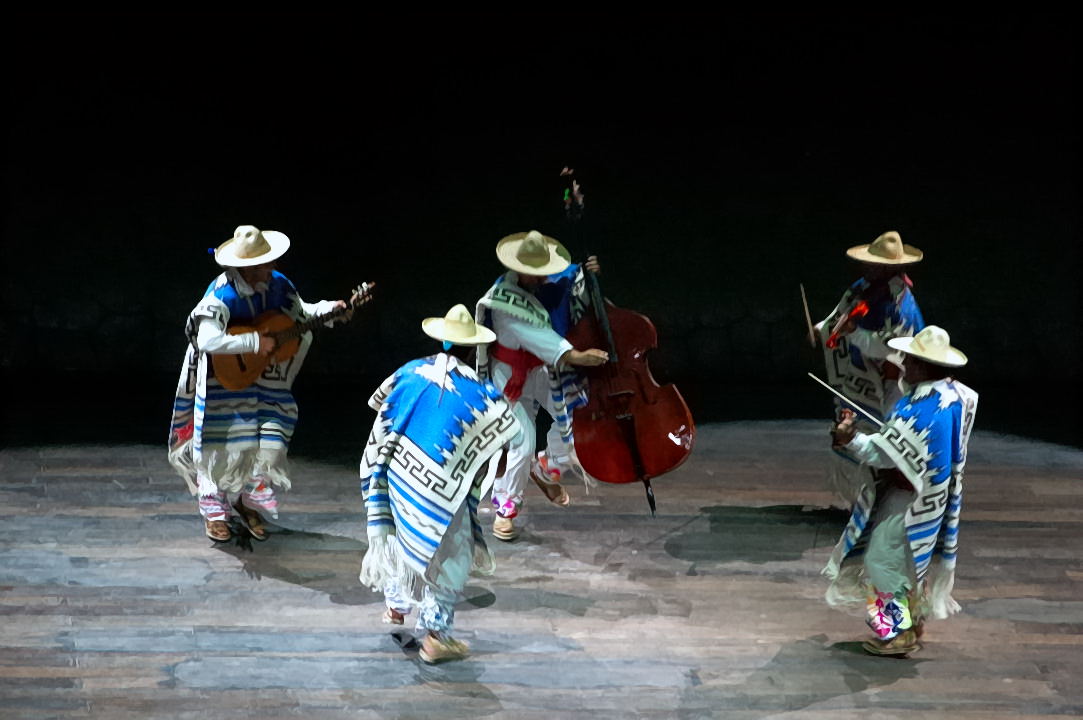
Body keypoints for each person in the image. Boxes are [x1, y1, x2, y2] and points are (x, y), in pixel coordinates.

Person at [358, 304, 521, 664]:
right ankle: (435, 636)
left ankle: (397, 608)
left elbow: (380, 409)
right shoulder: (482, 394)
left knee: (402, 538)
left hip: (397, 473)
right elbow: (505, 440)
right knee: (451, 557)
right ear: (472, 347)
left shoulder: (409, 372)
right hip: (441, 490)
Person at [167, 225, 351, 543]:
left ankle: (245, 499)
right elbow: (207, 338)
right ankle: (214, 512)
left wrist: (329, 311)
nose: (273, 267)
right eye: (266, 263)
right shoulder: (221, 293)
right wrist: (254, 342)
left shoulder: (278, 285)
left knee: (263, 439)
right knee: (218, 443)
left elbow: (301, 312)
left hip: (263, 374)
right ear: (246, 268)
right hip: (221, 375)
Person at [824, 325, 978, 656]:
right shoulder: (955, 395)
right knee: (909, 562)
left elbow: (879, 452)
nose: (904, 363)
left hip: (910, 498)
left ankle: (897, 632)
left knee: (882, 561)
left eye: (909, 359)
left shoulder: (922, 409)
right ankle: (913, 619)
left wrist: (849, 437)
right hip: (932, 496)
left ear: (924, 365)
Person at [474, 230, 609, 541]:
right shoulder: (504, 301)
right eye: (533, 273)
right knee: (521, 444)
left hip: (541, 370)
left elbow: (574, 284)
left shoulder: (549, 281)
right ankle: (505, 508)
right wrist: (575, 356)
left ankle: (548, 466)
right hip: (510, 377)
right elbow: (540, 338)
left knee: (581, 416)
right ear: (518, 269)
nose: (540, 278)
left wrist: (590, 277)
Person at [815, 230, 926, 504]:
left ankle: (886, 499)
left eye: (874, 264)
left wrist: (853, 332)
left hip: (891, 382)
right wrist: (821, 329)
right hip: (859, 378)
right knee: (851, 429)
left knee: (888, 439)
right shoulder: (861, 287)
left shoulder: (902, 304)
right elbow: (839, 315)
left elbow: (892, 346)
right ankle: (861, 500)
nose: (867, 267)